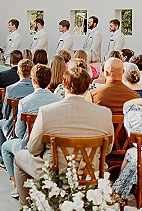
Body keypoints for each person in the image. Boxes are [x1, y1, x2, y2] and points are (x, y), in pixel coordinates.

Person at [14, 67, 114, 203]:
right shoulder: (104, 113)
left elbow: (33, 149)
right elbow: (107, 150)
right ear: (88, 86)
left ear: (64, 84)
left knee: (19, 157)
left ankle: (28, 207)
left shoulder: (47, 112)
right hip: (91, 173)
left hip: (55, 174)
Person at [0, 64, 62, 198]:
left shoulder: (25, 102)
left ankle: (15, 185)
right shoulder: (59, 100)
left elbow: (19, 131)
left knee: (5, 147)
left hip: (30, 145)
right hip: (51, 148)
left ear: (33, 81)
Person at [0, 59, 35, 151]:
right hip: (33, 126)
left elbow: (5, 112)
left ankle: (2, 157)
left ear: (18, 72)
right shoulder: (36, 88)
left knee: (0, 124)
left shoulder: (10, 89)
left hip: (14, 125)